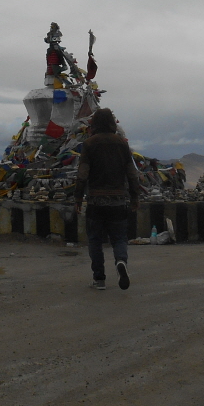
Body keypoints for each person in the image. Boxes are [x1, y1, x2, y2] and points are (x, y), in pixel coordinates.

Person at [73, 107, 141, 290]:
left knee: (95, 240)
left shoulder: (89, 144)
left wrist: (78, 197)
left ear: (94, 123)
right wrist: (135, 197)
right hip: (118, 200)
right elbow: (132, 174)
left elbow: (82, 174)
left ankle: (99, 279)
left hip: (95, 200)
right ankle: (121, 262)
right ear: (112, 123)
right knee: (119, 238)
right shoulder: (121, 144)